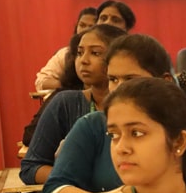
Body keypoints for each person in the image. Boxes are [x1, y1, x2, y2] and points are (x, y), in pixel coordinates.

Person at [43, 34, 186, 193]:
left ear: (165, 81)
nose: (119, 89)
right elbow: (55, 190)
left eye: (130, 79)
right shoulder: (92, 126)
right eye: (113, 79)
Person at [21, 24, 125, 184]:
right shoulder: (65, 103)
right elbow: (30, 168)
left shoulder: (139, 106)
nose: (84, 60)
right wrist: (80, 178)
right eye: (80, 53)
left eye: (95, 53)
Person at [34, 6, 97, 91]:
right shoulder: (64, 54)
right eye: (82, 25)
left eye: (91, 26)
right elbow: (41, 82)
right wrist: (69, 86)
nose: (85, 30)